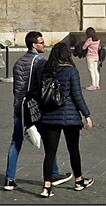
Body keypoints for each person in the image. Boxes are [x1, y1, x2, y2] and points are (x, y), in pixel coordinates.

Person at [36, 41, 94, 196]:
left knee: (50, 153)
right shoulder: (71, 71)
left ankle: (46, 187)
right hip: (70, 117)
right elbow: (77, 95)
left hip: (49, 115)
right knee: (73, 149)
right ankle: (79, 181)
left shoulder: (46, 71)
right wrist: (86, 114)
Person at [5, 32, 60, 192]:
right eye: (41, 43)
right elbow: (42, 86)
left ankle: (9, 178)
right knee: (49, 140)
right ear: (33, 45)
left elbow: (16, 88)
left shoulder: (19, 61)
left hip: (18, 106)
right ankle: (54, 174)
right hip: (33, 107)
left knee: (16, 141)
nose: (45, 45)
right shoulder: (40, 62)